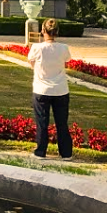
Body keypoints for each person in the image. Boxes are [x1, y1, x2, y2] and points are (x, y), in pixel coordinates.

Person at [27, 18, 73, 160]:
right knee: (61, 122)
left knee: (42, 122)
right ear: (57, 32)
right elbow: (67, 61)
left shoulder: (37, 48)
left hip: (42, 89)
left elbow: (31, 61)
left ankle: (41, 151)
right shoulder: (63, 48)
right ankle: (65, 152)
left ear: (42, 31)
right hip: (60, 89)